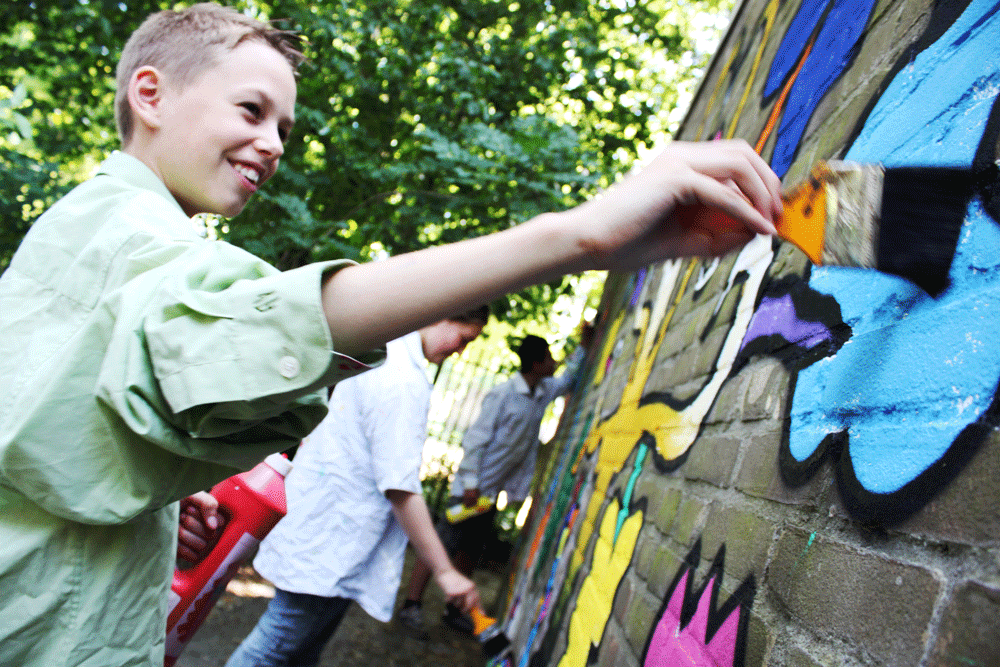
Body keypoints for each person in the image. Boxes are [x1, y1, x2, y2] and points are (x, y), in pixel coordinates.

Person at [0, 3, 782, 665]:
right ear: (151, 95)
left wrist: (167, 504)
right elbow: (253, 323)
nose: (274, 142)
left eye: (283, 125)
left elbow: (69, 429)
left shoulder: (94, 234)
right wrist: (577, 237)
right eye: (251, 110)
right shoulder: (131, 234)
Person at [224, 307, 488, 666]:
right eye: (464, 339)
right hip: (335, 540)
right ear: (444, 315)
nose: (460, 351)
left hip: (330, 533)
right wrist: (445, 571)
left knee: (299, 652)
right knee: (276, 648)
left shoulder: (384, 352)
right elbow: (400, 488)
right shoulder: (402, 380)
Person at [398, 332, 586, 635]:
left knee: (470, 550)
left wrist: (584, 346)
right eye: (549, 358)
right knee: (442, 545)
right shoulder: (504, 394)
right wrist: (471, 483)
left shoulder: (542, 391)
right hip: (469, 492)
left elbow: (567, 381)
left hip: (490, 494)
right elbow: (475, 440)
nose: (553, 363)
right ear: (536, 363)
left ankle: (454, 609)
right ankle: (412, 604)